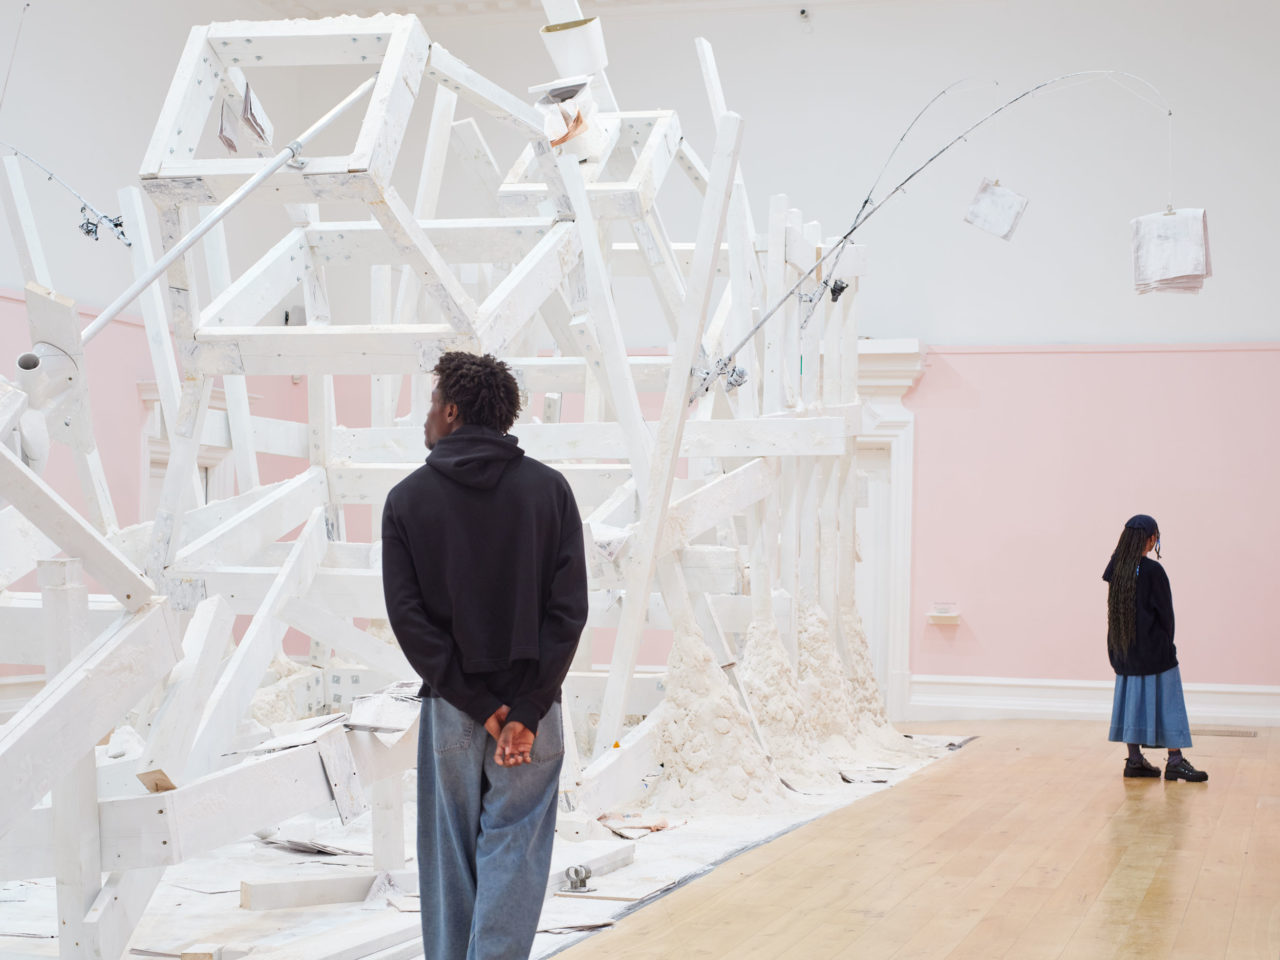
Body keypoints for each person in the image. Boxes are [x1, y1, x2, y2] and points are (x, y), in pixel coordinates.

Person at [381, 351, 589, 959]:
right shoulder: (550, 492)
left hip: (452, 708)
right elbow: (568, 612)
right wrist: (522, 710)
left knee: (449, 862)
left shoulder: (407, 500)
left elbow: (409, 620)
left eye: (430, 405)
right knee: (515, 855)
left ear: (450, 411)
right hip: (534, 710)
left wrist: (478, 704)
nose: (425, 417)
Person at [1103, 514, 1207, 782]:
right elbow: (1166, 616)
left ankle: (1135, 760)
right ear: (1150, 539)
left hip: (1123, 650)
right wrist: (1167, 646)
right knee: (1170, 703)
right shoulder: (1153, 571)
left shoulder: (1116, 568)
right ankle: (1174, 760)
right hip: (1154, 652)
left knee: (1132, 702)